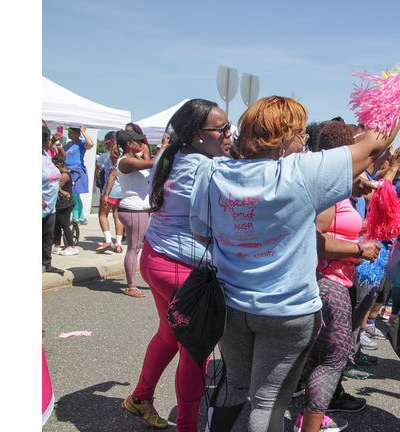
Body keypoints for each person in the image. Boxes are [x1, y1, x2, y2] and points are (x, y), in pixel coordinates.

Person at [190, 94, 400, 432]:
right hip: (288, 310)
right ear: (283, 138)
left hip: (231, 304)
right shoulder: (301, 172)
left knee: (234, 384)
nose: (304, 142)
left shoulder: (211, 171)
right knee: (267, 400)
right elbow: (372, 147)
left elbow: (203, 234)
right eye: (301, 134)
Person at [121, 99, 227, 431]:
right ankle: (186, 427)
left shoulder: (171, 154)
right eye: (222, 129)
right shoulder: (205, 168)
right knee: (195, 354)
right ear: (197, 135)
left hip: (155, 258)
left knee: (169, 336)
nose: (229, 134)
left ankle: (140, 398)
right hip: (182, 269)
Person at [294, 120, 383, 432]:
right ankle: (309, 424)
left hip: (331, 280)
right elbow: (316, 240)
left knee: (315, 354)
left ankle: (303, 413)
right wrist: (358, 250)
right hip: (326, 282)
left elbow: (334, 226)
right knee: (334, 357)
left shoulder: (334, 183)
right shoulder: (327, 186)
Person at [108, 129, 163, 297]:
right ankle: (131, 286)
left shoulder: (134, 158)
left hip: (143, 209)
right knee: (134, 248)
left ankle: (150, 279)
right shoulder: (125, 161)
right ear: (129, 144)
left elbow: (149, 165)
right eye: (138, 141)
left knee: (147, 246)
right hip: (134, 210)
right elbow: (153, 163)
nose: (141, 144)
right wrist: (164, 147)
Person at [96, 131, 125, 253]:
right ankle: (118, 244)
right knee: (117, 217)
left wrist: (106, 194)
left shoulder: (109, 156)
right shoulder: (124, 155)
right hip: (122, 191)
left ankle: (108, 241)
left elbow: (112, 175)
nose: (106, 145)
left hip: (111, 190)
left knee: (102, 215)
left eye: (107, 142)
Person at [42, 126, 65, 275]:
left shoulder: (45, 153)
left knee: (47, 236)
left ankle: (46, 264)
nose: (51, 141)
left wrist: (61, 191)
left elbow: (63, 158)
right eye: (49, 139)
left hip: (50, 205)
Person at [63, 125, 94, 225]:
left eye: (71, 132)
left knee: (74, 195)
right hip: (68, 170)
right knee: (74, 195)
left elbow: (91, 144)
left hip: (76, 171)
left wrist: (84, 132)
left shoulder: (81, 143)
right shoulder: (68, 144)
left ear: (77, 134)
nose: (69, 133)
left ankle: (76, 217)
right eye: (69, 131)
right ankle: (81, 217)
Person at [51, 156, 79, 256]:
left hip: (65, 204)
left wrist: (62, 192)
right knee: (57, 225)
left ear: (57, 166)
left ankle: (71, 246)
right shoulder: (65, 173)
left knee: (65, 225)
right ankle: (57, 245)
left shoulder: (64, 175)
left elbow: (57, 188)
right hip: (61, 204)